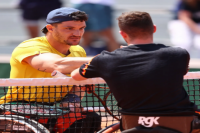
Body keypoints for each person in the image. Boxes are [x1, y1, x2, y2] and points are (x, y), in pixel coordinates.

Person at [71, 11, 199, 132]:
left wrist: (105, 59)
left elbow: (75, 75)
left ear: (122, 34)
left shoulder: (104, 60)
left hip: (132, 124)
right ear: (154, 29)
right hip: (181, 124)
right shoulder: (179, 54)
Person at [0, 7, 100, 133]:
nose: (77, 34)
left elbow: (78, 82)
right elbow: (58, 65)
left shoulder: (79, 51)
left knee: (89, 118)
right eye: (69, 28)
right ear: (50, 28)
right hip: (17, 109)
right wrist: (106, 60)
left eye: (81, 28)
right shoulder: (29, 46)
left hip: (54, 110)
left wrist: (72, 100)